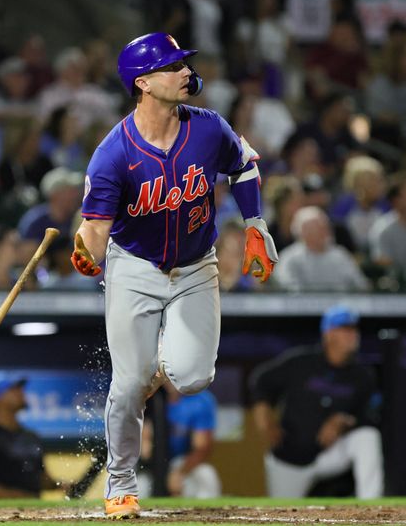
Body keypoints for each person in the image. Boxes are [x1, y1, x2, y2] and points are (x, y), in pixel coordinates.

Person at [69, 32, 278, 518]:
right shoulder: (113, 152)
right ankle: (120, 486)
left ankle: (151, 363)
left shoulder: (208, 128)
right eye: (173, 65)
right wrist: (86, 253)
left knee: (193, 377)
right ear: (143, 82)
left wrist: (254, 225)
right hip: (135, 268)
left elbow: (244, 167)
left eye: (184, 63)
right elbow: (95, 229)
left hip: (196, 267)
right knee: (128, 383)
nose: (186, 71)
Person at [250, 305, 383, 499]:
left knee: (368, 437)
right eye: (345, 329)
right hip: (290, 459)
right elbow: (260, 380)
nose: (353, 334)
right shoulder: (301, 363)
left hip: (328, 455)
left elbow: (369, 417)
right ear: (329, 334)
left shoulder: (363, 376)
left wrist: (344, 420)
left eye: (354, 329)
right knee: (283, 515)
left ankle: (372, 509)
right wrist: (265, 417)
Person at [0, 377, 65, 498]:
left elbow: (39, 478)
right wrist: (21, 497)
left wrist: (61, 485)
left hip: (36, 512)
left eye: (20, 389)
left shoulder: (32, 436)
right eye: (13, 389)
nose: (21, 392)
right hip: (3, 512)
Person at [140, 380, 222, 498]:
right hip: (148, 466)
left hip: (180, 462)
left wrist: (179, 472)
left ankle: (207, 516)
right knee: (136, 486)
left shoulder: (199, 399)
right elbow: (141, 449)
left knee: (206, 475)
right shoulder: (148, 397)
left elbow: (202, 448)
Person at [275, 206, 369, 292]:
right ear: (303, 232)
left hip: (341, 306)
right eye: (319, 228)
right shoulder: (289, 258)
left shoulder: (340, 255)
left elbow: (361, 285)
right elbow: (289, 289)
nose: (326, 231)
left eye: (326, 226)